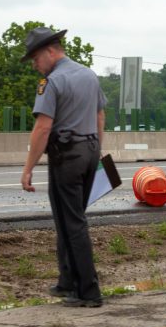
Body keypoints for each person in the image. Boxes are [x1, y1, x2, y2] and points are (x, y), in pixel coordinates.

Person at [20, 27, 106, 307]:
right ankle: (67, 280)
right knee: (71, 218)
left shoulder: (52, 82)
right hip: (89, 149)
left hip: (66, 155)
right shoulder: (89, 75)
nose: (35, 65)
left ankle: (88, 291)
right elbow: (99, 116)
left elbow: (43, 128)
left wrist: (28, 168)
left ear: (50, 51)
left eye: (35, 59)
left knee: (72, 223)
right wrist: (96, 153)